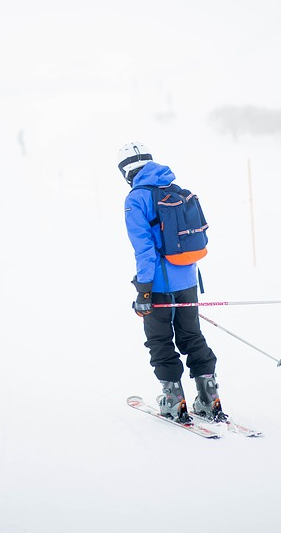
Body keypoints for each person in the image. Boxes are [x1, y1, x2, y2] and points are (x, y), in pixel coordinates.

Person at [118, 141, 226, 423]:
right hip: (188, 279)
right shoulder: (175, 190)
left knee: (160, 340)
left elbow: (144, 250)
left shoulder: (135, 199)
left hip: (158, 285)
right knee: (191, 336)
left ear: (126, 171)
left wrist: (144, 291)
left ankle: (173, 401)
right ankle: (209, 398)